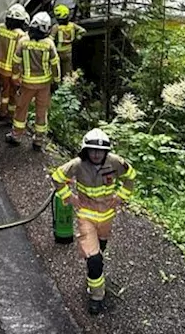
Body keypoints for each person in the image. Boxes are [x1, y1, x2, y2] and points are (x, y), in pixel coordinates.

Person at [51, 128, 138, 316]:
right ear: (86, 151)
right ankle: (96, 296)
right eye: (92, 150)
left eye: (100, 151)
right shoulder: (77, 165)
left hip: (107, 217)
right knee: (95, 259)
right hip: (86, 217)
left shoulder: (115, 162)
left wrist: (121, 196)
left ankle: (95, 270)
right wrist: (69, 197)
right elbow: (57, 177)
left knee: (101, 249)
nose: (96, 154)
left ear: (106, 151)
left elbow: (130, 177)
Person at [7, 11, 62, 149]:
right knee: (41, 112)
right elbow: (55, 64)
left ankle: (16, 136)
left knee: (21, 109)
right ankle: (38, 140)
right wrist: (57, 80)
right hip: (44, 85)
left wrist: (15, 77)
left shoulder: (23, 42)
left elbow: (15, 62)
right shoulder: (49, 44)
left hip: (27, 84)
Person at [0, 4, 30, 120]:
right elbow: (22, 57)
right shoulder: (22, 36)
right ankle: (11, 115)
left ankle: (2, 112)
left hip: (0, 68)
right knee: (13, 94)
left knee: (4, 91)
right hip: (13, 71)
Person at [53, 4, 87, 73]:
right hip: (68, 51)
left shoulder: (56, 27)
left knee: (57, 69)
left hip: (58, 51)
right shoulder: (72, 25)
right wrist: (77, 38)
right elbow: (83, 31)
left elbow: (51, 38)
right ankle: (67, 82)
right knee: (67, 70)